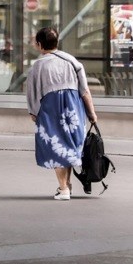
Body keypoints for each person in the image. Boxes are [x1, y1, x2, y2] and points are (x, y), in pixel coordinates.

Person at [25, 26, 99, 200]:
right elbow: (84, 91)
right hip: (74, 107)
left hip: (51, 108)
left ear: (39, 44)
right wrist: (91, 113)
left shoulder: (37, 66)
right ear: (57, 42)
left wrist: (34, 112)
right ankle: (67, 185)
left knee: (56, 146)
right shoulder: (72, 61)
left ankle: (63, 188)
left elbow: (32, 93)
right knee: (69, 146)